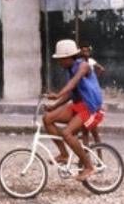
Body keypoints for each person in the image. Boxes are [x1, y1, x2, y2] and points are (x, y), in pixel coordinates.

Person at [42, 37, 102, 173]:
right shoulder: (70, 69)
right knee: (47, 118)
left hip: (89, 107)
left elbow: (73, 83)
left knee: (67, 133)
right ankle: (64, 154)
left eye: (61, 59)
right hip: (78, 105)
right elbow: (71, 94)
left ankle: (88, 166)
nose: (59, 62)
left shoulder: (83, 66)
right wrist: (54, 106)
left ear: (70, 57)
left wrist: (57, 94)